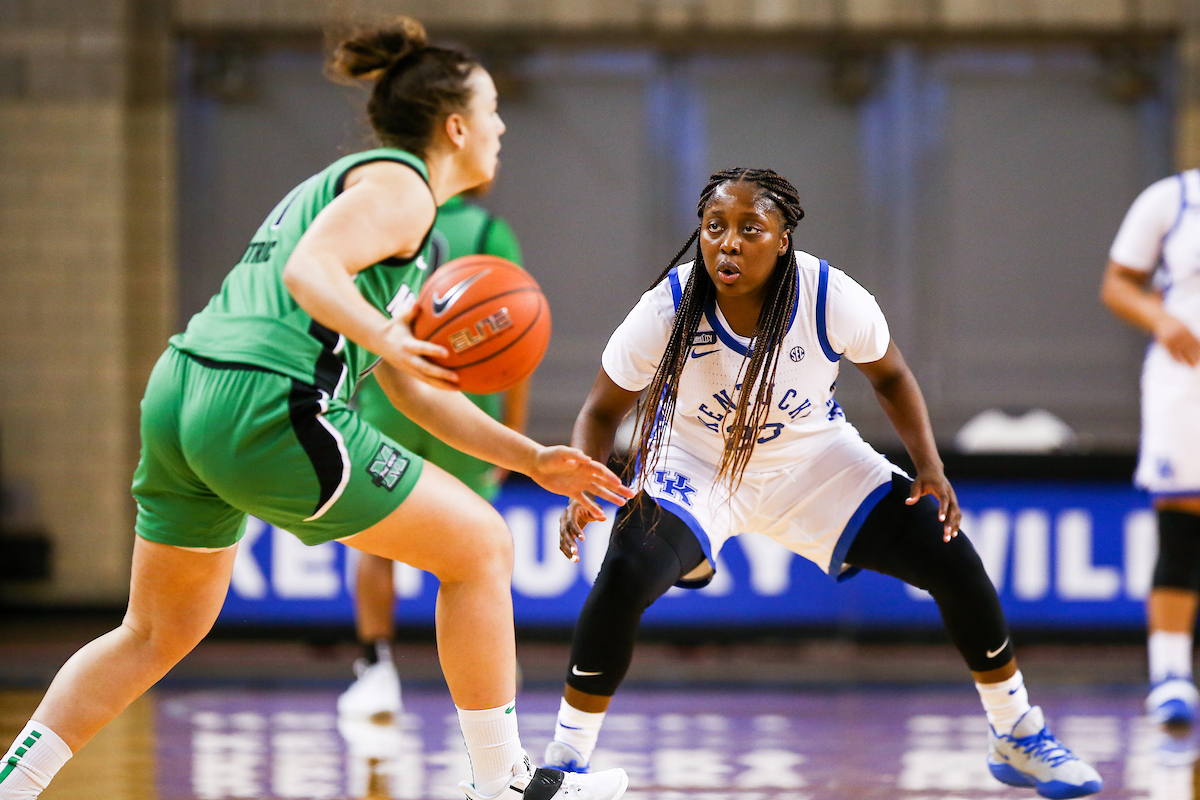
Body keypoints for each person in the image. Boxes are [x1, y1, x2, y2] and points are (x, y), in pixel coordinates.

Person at [0, 18, 634, 800]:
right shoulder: (402, 186)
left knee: (155, 630)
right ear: (457, 126)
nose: (503, 126)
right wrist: (384, 337)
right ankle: (506, 784)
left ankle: (12, 785)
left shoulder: (377, 200)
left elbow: (409, 386)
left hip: (183, 390)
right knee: (478, 548)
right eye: (494, 109)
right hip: (265, 398)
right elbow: (310, 270)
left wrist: (531, 458)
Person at [541, 168, 1103, 799]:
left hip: (815, 464)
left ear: (782, 240)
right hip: (696, 468)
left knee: (949, 553)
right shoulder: (668, 305)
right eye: (714, 228)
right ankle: (567, 758)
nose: (728, 243)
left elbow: (890, 377)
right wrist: (582, 483)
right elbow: (600, 410)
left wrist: (930, 466)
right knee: (622, 572)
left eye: (749, 229)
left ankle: (1016, 732)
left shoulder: (830, 294)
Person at [339, 185, 529, 720]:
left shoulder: (385, 220)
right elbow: (517, 332)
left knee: (374, 545)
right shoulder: (490, 233)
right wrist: (514, 430)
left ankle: (376, 669)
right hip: (463, 412)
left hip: (385, 402)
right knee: (476, 552)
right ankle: (491, 686)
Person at [1102, 169, 1200, 727]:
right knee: (1182, 524)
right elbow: (1117, 283)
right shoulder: (1172, 197)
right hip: (1186, 383)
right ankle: (1171, 674)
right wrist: (1161, 319)